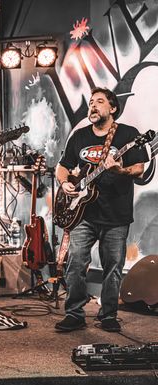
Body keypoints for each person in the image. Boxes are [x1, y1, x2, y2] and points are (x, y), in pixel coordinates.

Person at [55, 87, 148, 333]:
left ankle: (108, 315)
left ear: (113, 108)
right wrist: (64, 183)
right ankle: (74, 314)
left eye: (99, 101)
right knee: (76, 264)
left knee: (113, 268)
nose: (93, 106)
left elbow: (139, 169)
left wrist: (120, 170)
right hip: (82, 214)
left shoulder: (128, 135)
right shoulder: (80, 136)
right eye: (90, 102)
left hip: (116, 214)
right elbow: (63, 166)